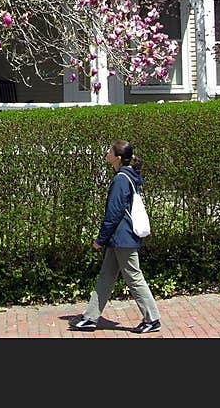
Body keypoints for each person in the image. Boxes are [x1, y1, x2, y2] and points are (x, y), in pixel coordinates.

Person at [70, 139, 161, 334]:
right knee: (106, 276)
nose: (106, 153)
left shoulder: (121, 179)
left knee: (134, 277)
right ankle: (90, 317)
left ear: (117, 158)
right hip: (119, 238)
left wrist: (99, 240)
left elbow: (113, 213)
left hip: (123, 237)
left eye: (109, 150)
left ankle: (152, 319)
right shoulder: (125, 176)